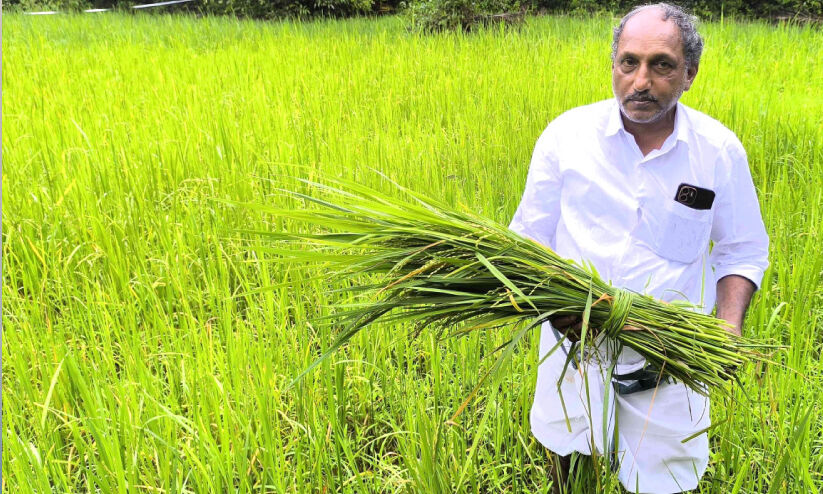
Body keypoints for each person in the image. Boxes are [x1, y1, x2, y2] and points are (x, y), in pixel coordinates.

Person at [508, 3, 769, 493]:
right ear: (613, 66)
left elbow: (742, 249)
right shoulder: (566, 137)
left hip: (670, 362)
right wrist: (553, 307)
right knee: (567, 461)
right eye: (629, 62)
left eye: (661, 65)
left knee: (666, 481)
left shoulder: (717, 151)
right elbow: (528, 240)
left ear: (689, 74)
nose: (640, 80)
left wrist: (728, 326)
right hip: (573, 348)